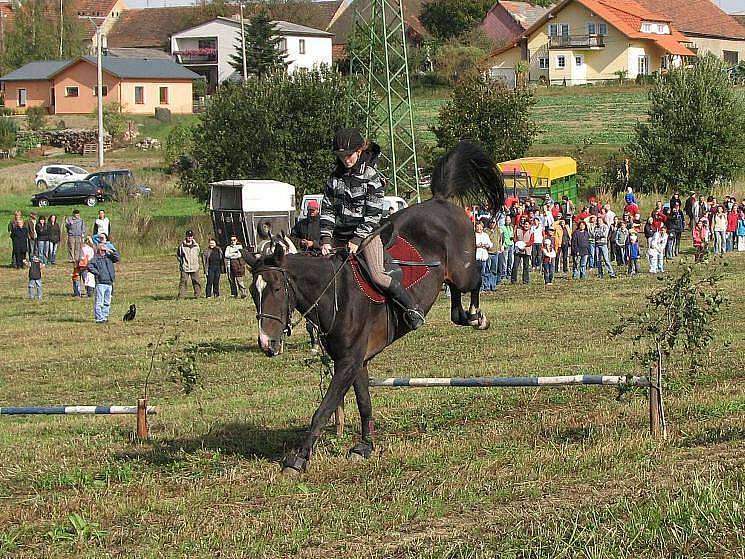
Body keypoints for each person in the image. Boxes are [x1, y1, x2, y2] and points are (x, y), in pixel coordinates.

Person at [319, 127, 424, 329]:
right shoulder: (334, 178)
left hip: (367, 234)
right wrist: (325, 239)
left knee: (377, 275)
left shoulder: (371, 176)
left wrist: (357, 240)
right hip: (340, 235)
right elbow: (327, 210)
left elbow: (373, 214)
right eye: (341, 156)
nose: (345, 159)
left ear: (359, 151)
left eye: (348, 155)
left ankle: (411, 308)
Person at [87, 242, 120, 323]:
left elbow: (117, 258)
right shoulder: (95, 259)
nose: (103, 252)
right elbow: (89, 266)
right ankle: (99, 318)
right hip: (100, 283)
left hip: (109, 283)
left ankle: (105, 317)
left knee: (107, 302)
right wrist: (98, 273)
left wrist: (110, 250)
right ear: (98, 250)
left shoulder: (109, 258)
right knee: (99, 302)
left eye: (104, 250)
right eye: (102, 250)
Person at [177, 230, 202, 298]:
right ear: (186, 236)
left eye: (191, 236)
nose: (190, 237)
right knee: (183, 282)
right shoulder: (181, 246)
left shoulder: (196, 245)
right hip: (185, 267)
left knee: (196, 282)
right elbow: (178, 256)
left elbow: (198, 254)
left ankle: (198, 295)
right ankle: (181, 296)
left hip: (195, 267)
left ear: (193, 237)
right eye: (188, 236)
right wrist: (183, 264)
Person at [511, 218, 533, 284]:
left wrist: (524, 245)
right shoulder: (518, 230)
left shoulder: (531, 232)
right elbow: (515, 238)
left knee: (526, 266)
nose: (526, 226)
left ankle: (525, 280)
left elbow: (531, 241)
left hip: (527, 251)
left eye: (527, 224)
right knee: (515, 265)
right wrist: (518, 244)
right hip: (518, 250)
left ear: (529, 225)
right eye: (525, 224)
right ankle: (513, 280)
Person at [475, 221, 492, 291]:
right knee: (476, 273)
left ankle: (484, 286)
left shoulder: (485, 235)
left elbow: (490, 244)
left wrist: (486, 245)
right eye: (477, 227)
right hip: (476, 256)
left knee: (483, 272)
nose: (479, 228)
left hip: (484, 256)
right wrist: (477, 245)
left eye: (480, 227)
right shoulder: (474, 235)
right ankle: (476, 286)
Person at [485, 219, 503, 291]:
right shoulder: (486, 231)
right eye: (491, 223)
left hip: (496, 253)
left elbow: (500, 239)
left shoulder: (498, 230)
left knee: (494, 270)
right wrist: (491, 233)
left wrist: (500, 247)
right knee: (487, 270)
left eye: (493, 223)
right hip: (488, 253)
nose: (492, 224)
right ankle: (487, 285)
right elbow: (487, 239)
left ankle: (493, 285)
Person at [499, 215, 514, 280]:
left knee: (511, 260)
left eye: (508, 220)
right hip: (505, 245)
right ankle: (504, 273)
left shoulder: (511, 228)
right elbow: (501, 237)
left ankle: (509, 273)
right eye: (506, 220)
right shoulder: (502, 227)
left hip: (511, 245)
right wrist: (501, 245)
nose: (507, 221)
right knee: (505, 260)